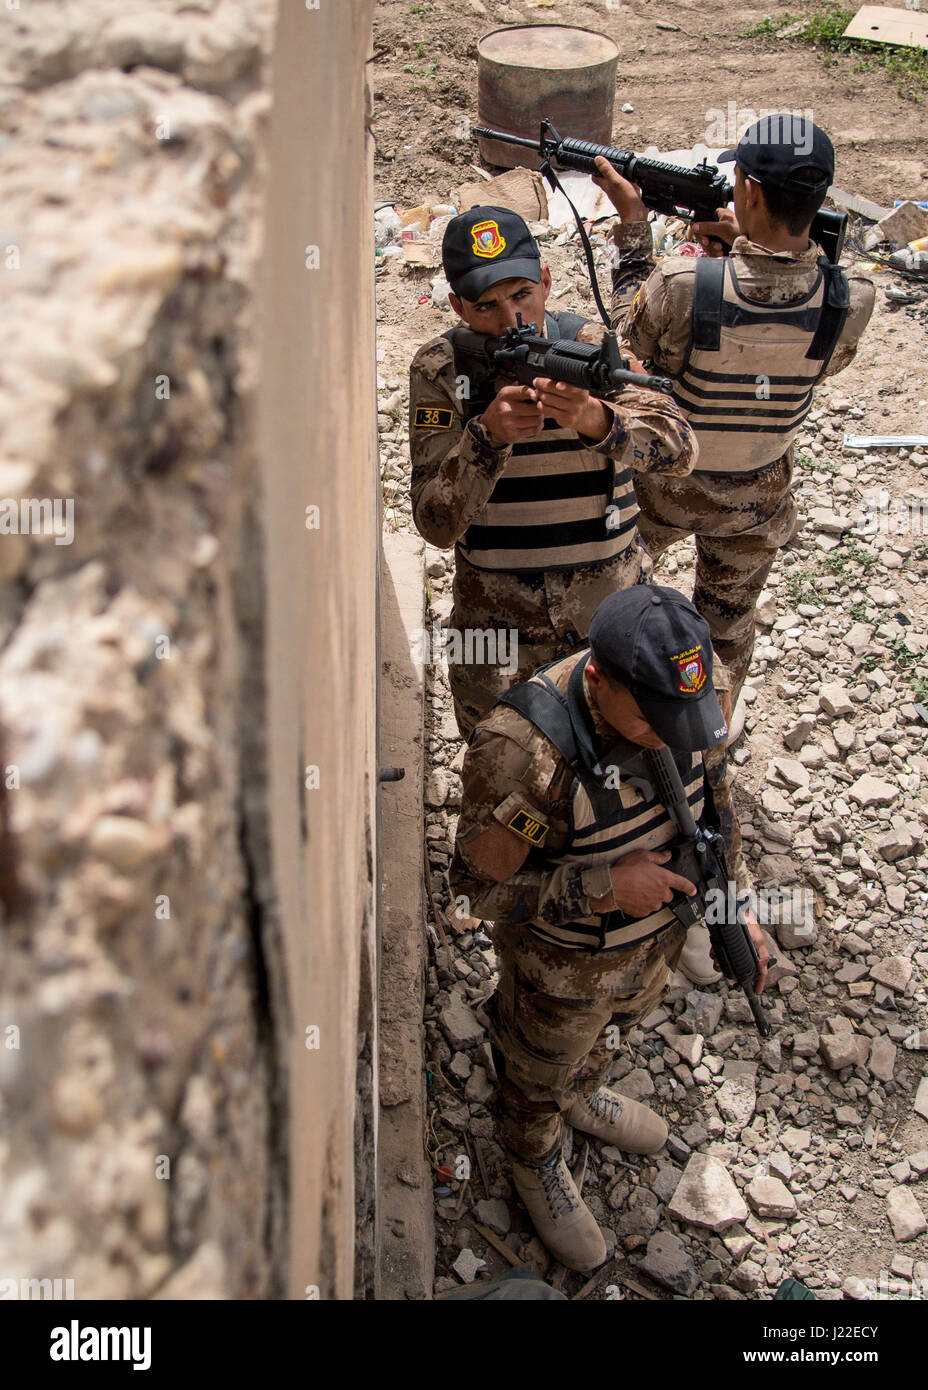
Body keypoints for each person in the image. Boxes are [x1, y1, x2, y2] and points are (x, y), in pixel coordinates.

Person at [449, 584, 769, 1271]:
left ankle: (582, 1092)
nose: (671, 735)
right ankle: (531, 1147)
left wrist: (732, 900)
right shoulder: (522, 752)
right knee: (536, 1071)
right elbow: (473, 894)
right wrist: (603, 887)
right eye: (653, 717)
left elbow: (718, 805)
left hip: (647, 955)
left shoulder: (687, 702)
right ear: (597, 676)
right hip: (558, 979)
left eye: (683, 718)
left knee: (611, 1037)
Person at [592, 115, 876, 726]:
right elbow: (813, 353)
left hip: (665, 488)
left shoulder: (684, 285)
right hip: (759, 496)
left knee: (613, 601)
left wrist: (636, 229)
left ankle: (618, 718)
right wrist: (748, 255)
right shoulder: (852, 300)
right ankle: (705, 732)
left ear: (745, 190)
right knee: (727, 627)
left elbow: (630, 340)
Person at [409, 204, 700, 740]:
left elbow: (679, 451)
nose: (510, 319)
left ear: (546, 280)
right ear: (456, 306)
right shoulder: (443, 368)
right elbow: (434, 524)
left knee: (619, 768)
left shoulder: (589, 347)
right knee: (501, 776)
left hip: (605, 622)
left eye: (521, 294)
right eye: (485, 306)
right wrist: (486, 439)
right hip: (496, 633)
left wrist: (597, 421)